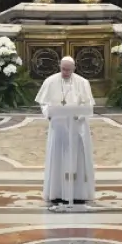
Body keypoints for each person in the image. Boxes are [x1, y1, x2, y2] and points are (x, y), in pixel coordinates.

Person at [36, 56, 95, 207]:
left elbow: (88, 106)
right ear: (59, 66)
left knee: (77, 160)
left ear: (74, 68)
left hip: (77, 127)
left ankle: (78, 194)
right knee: (58, 158)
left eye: (68, 69)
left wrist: (78, 115)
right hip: (59, 127)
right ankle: (57, 193)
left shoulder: (82, 82)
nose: (65, 72)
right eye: (63, 69)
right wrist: (49, 113)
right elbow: (44, 103)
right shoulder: (51, 81)